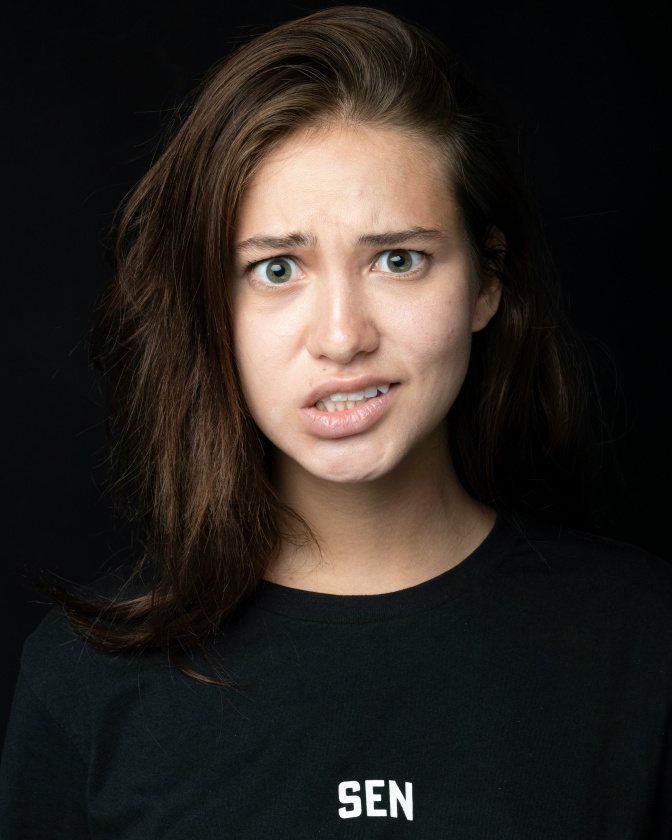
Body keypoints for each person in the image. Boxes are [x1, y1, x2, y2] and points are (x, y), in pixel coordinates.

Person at [1, 6, 670, 837]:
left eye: (398, 259)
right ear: (212, 308)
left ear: (487, 281)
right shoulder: (84, 683)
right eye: (276, 269)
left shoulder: (646, 644)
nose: (343, 336)